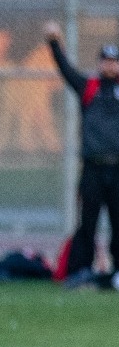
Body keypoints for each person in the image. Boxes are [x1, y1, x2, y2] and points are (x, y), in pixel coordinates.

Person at [45, 22, 119, 290]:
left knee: (117, 221)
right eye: (106, 61)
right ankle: (82, 270)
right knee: (87, 222)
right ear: (100, 64)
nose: (110, 66)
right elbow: (66, 70)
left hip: (118, 168)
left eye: (114, 62)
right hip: (93, 168)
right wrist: (54, 43)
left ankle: (116, 271)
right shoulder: (89, 88)